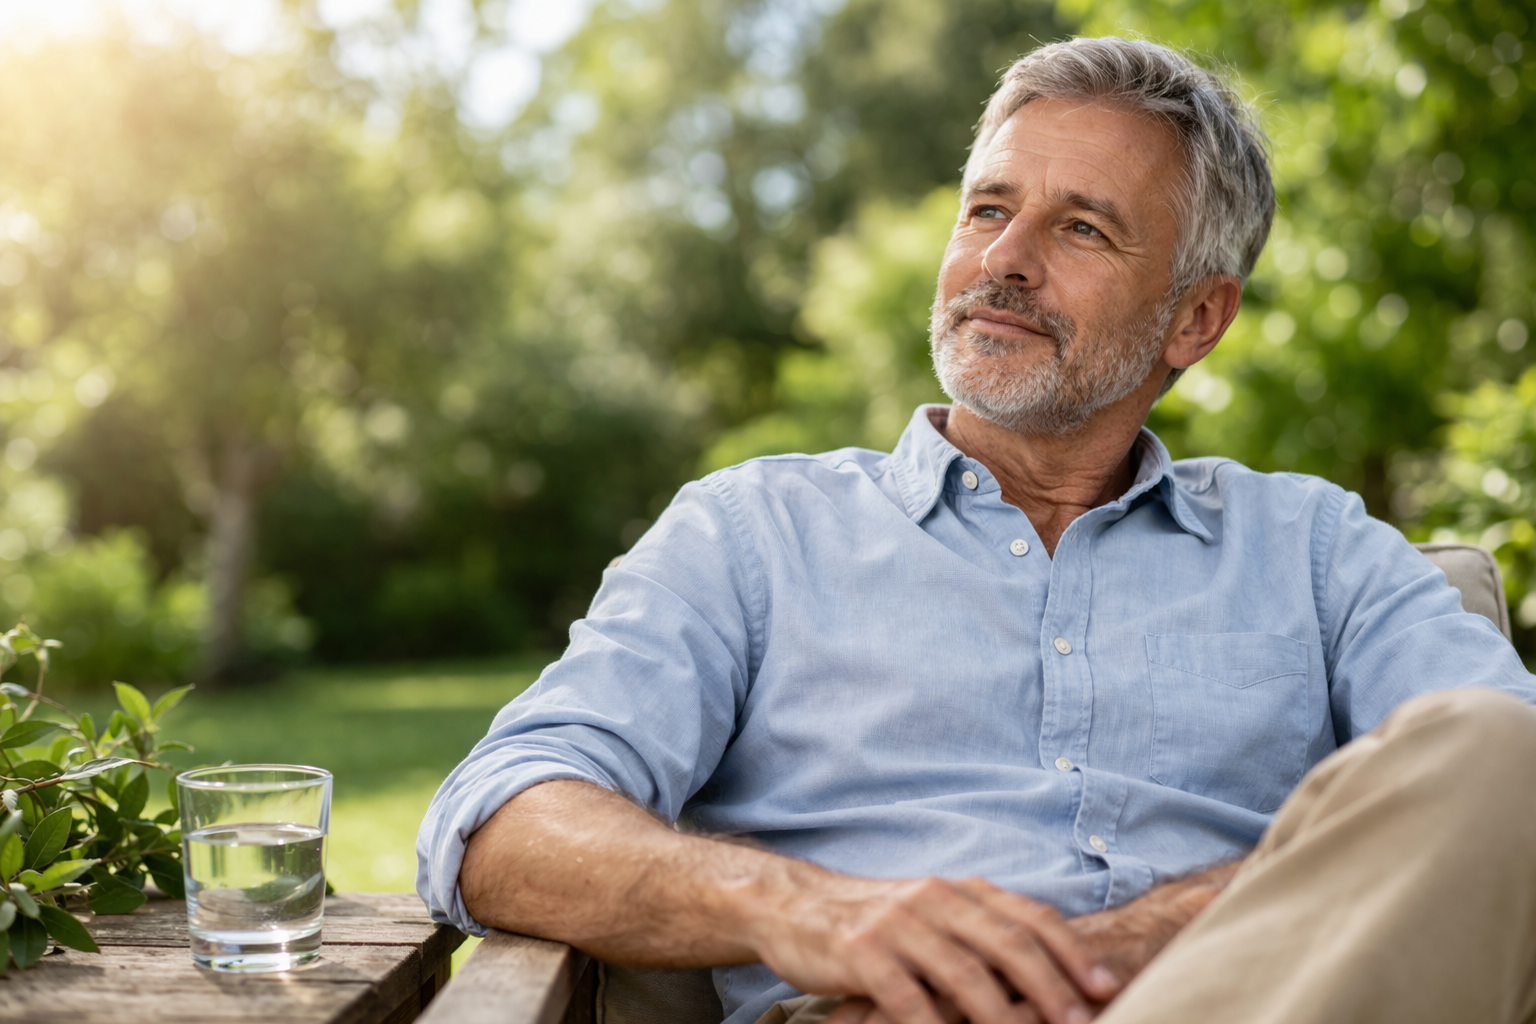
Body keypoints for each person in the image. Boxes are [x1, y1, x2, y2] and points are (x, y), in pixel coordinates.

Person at [417, 36, 1536, 1024]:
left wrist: (1097, 957)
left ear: (1197, 316)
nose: (1005, 259)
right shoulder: (751, 533)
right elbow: (498, 821)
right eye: (989, 208)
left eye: (1081, 228)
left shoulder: (1317, 549)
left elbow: (1507, 782)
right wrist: (810, 909)